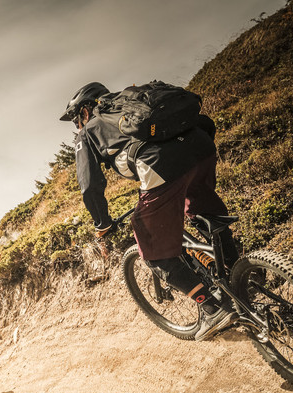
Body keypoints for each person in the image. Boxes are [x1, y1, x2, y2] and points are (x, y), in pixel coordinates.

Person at [60, 82, 239, 341]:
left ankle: (212, 309)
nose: (78, 125)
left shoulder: (88, 131)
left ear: (85, 111)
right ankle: (241, 276)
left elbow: (89, 186)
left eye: (77, 119)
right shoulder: (133, 102)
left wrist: (102, 224)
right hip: (201, 147)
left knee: (152, 247)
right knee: (203, 213)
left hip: (161, 167)